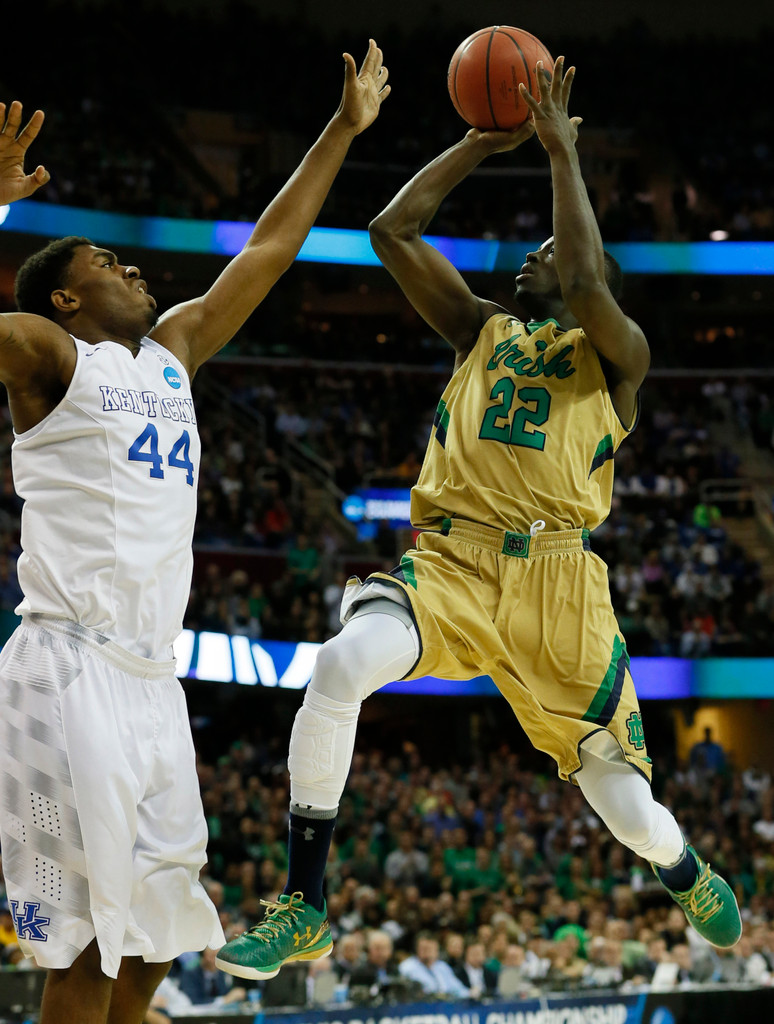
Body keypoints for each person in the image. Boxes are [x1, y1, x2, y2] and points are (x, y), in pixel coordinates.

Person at [215, 57, 741, 983]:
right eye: (534, 248)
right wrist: (476, 142)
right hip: (452, 566)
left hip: (559, 586)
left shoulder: (618, 352)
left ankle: (683, 867)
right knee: (339, 664)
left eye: (550, 247)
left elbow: (583, 280)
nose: (532, 253)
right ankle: (304, 902)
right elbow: (391, 229)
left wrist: (560, 154)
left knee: (623, 805)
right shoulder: (481, 329)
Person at [0, 40, 389, 1024]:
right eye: (105, 263)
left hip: (149, 679)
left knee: (158, 949)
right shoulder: (51, 356)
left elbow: (266, 248)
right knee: (83, 951)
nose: (130, 267)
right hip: (65, 670)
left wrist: (341, 128)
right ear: (63, 297)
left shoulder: (172, 350)